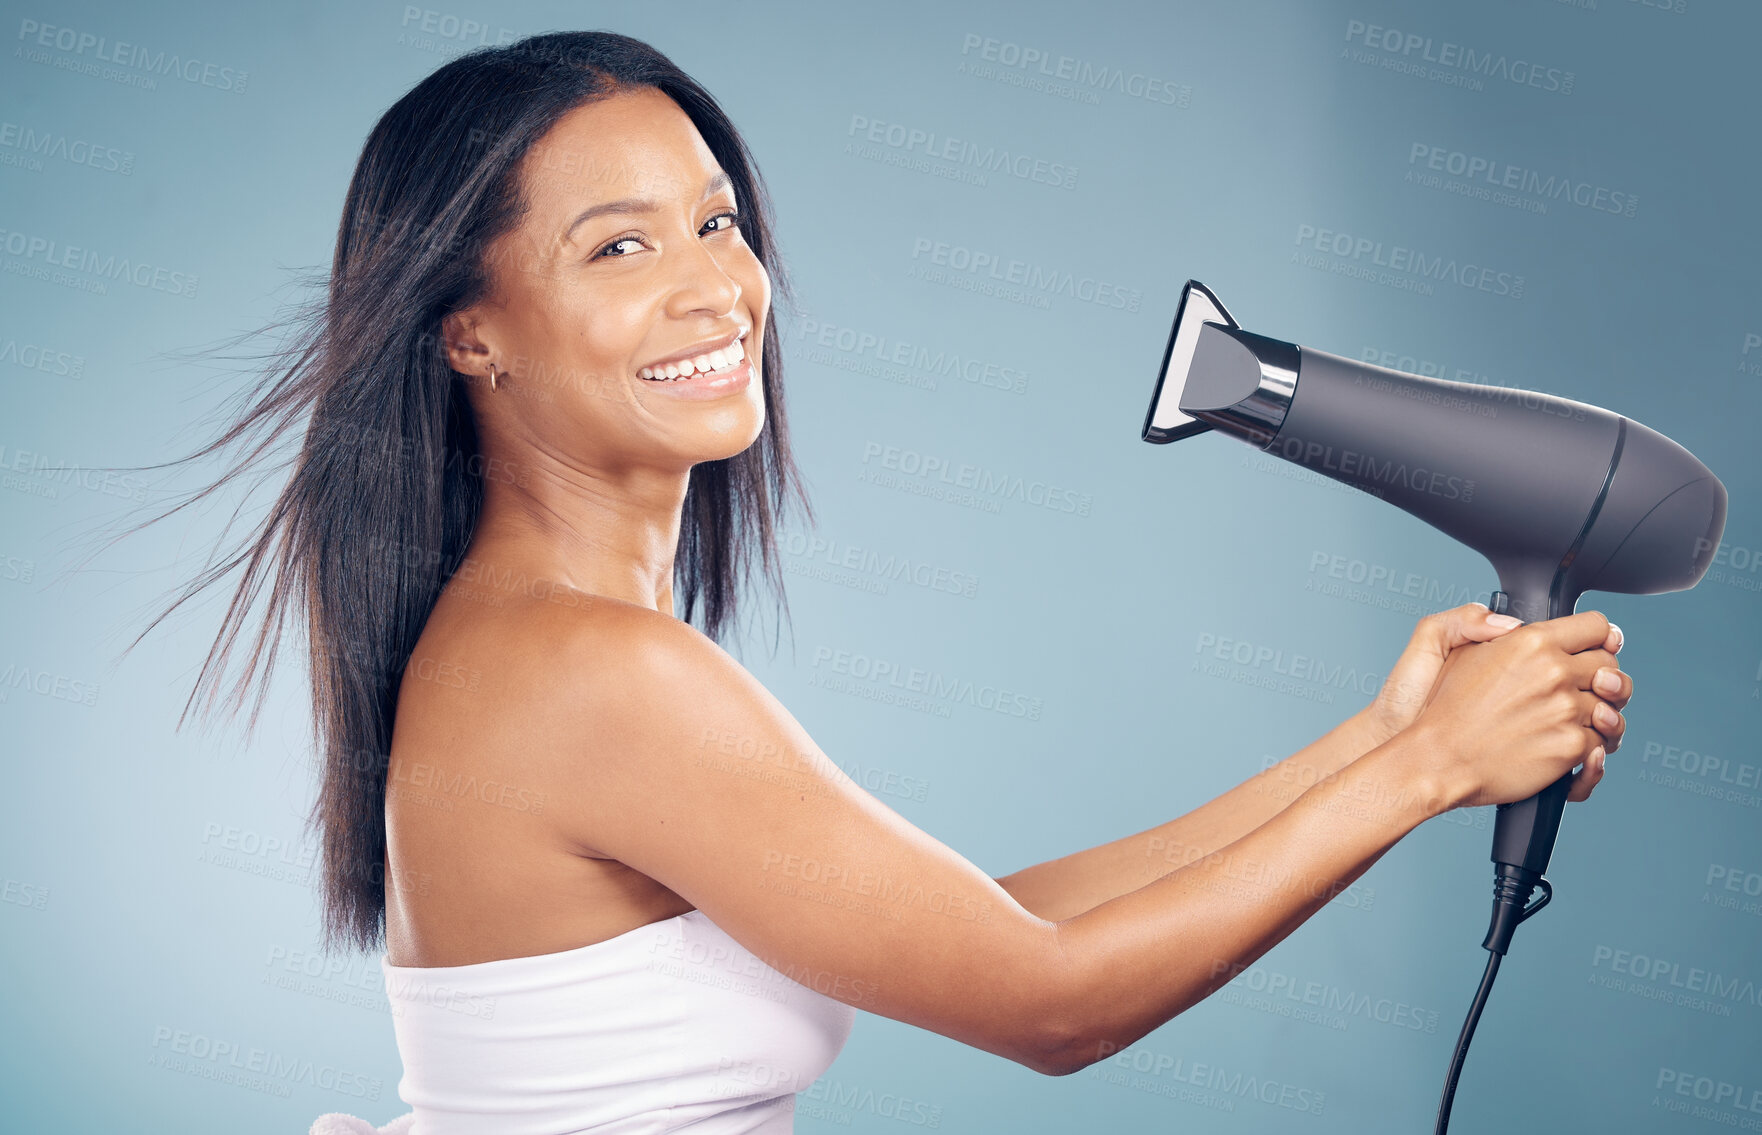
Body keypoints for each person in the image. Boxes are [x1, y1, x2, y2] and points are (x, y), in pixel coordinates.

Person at [140, 30, 1631, 1135]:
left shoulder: (550, 644)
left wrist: (1379, 743)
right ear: (472, 332)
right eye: (617, 247)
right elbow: (1051, 1008)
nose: (711, 286)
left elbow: (989, 932)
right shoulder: (588, 672)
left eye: (717, 221)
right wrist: (1430, 771)